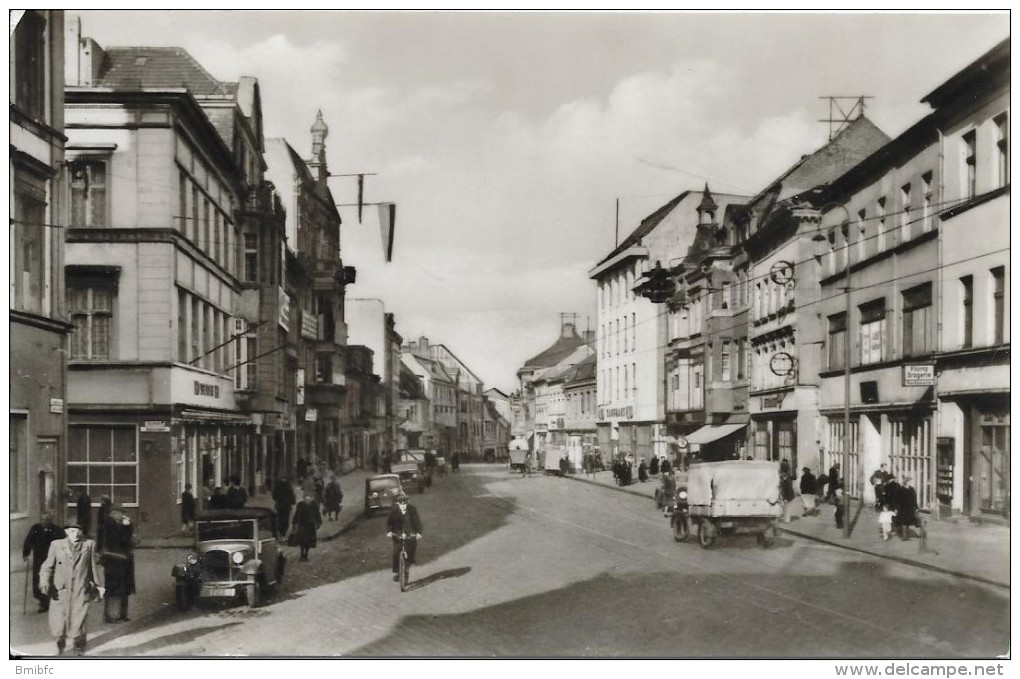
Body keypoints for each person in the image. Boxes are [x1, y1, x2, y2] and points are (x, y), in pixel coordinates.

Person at [39, 521, 104, 656]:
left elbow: (92, 568)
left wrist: (97, 586)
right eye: (71, 531)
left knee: (79, 619)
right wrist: (44, 581)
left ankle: (79, 648)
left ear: (81, 532)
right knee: (59, 622)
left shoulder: (89, 545)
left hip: (80, 588)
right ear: (66, 532)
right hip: (61, 590)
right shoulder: (56, 545)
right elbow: (47, 566)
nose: (75, 534)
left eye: (77, 531)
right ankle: (60, 642)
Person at [22, 513, 65, 613]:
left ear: (51, 520)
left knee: (51, 579)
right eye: (43, 519)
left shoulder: (57, 530)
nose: (45, 522)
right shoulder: (36, 528)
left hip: (53, 559)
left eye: (47, 520)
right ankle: (42, 601)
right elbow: (28, 540)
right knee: (38, 579)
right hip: (39, 559)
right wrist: (26, 553)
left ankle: (50, 601)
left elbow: (64, 543)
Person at [100, 508, 135, 623]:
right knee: (115, 588)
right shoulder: (110, 526)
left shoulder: (111, 525)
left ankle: (119, 615)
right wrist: (127, 527)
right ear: (114, 514)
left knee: (119, 588)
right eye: (121, 513)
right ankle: (113, 615)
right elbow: (123, 540)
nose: (122, 516)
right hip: (115, 561)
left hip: (118, 561)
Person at [386, 494, 423, 582]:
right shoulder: (394, 511)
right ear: (398, 504)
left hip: (410, 533)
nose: (403, 505)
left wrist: (418, 532)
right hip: (398, 534)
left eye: (405, 503)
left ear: (407, 502)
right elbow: (389, 522)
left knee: (410, 553)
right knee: (396, 552)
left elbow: (417, 521)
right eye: (401, 503)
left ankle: (406, 570)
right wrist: (389, 531)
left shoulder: (412, 509)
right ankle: (396, 572)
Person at [291, 494, 322, 561]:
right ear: (304, 499)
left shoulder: (314, 505)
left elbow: (317, 514)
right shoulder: (300, 505)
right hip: (302, 525)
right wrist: (294, 523)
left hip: (310, 526)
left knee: (309, 541)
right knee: (302, 541)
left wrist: (318, 522)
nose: (308, 500)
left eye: (309, 498)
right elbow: (297, 514)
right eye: (306, 498)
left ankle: (306, 554)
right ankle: (302, 554)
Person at [896, 475, 920, 541]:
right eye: (909, 481)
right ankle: (904, 536)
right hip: (903, 508)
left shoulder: (911, 489)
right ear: (906, 482)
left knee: (909, 522)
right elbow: (898, 499)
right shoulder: (901, 489)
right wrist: (897, 508)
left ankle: (908, 534)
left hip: (910, 508)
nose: (911, 483)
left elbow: (914, 499)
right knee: (904, 522)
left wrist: (916, 507)